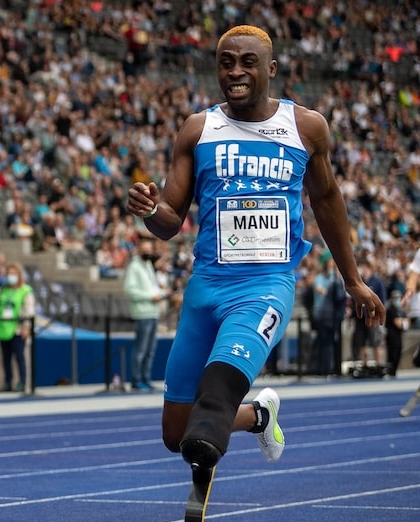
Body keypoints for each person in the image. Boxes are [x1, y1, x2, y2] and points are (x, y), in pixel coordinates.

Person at [126, 25, 384, 473]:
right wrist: (149, 211)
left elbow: (326, 201)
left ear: (271, 68)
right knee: (176, 432)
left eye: (248, 62)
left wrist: (353, 279)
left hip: (265, 285)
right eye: (226, 62)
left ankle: (216, 428)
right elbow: (169, 220)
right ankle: (260, 415)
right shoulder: (197, 129)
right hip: (206, 287)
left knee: (213, 400)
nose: (236, 71)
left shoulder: (305, 127)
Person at [123, 237, 168, 391]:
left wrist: (162, 293)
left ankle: (145, 378)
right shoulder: (134, 266)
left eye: (150, 249)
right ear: (138, 249)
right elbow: (130, 290)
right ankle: (136, 380)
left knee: (150, 350)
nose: (148, 252)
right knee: (141, 349)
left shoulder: (148, 265)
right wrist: (150, 297)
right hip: (143, 312)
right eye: (145, 249)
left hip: (153, 312)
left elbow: (152, 286)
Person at [0, 262, 34, 393]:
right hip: (4, 327)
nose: (11, 276)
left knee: (19, 356)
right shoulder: (3, 289)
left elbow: (29, 310)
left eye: (14, 274)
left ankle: (22, 381)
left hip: (18, 328)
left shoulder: (25, 290)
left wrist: (26, 327)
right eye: (9, 273)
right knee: (6, 357)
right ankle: (8, 381)